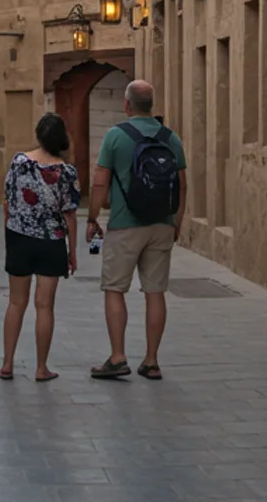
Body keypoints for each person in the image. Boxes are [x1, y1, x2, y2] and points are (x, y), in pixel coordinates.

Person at [87, 79, 188, 382]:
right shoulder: (171, 138)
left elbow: (100, 182)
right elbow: (182, 185)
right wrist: (176, 223)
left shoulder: (116, 136)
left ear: (127, 105)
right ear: (151, 105)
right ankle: (152, 361)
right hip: (162, 223)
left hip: (124, 224)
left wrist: (92, 218)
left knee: (114, 289)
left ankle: (118, 357)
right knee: (155, 292)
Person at [0, 113, 81, 383]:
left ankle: (7, 363)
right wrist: (72, 252)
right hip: (51, 241)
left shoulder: (19, 162)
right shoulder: (67, 172)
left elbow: (8, 201)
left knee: (16, 303)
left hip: (19, 238)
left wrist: (10, 234)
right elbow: (70, 215)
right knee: (45, 306)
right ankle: (41, 367)